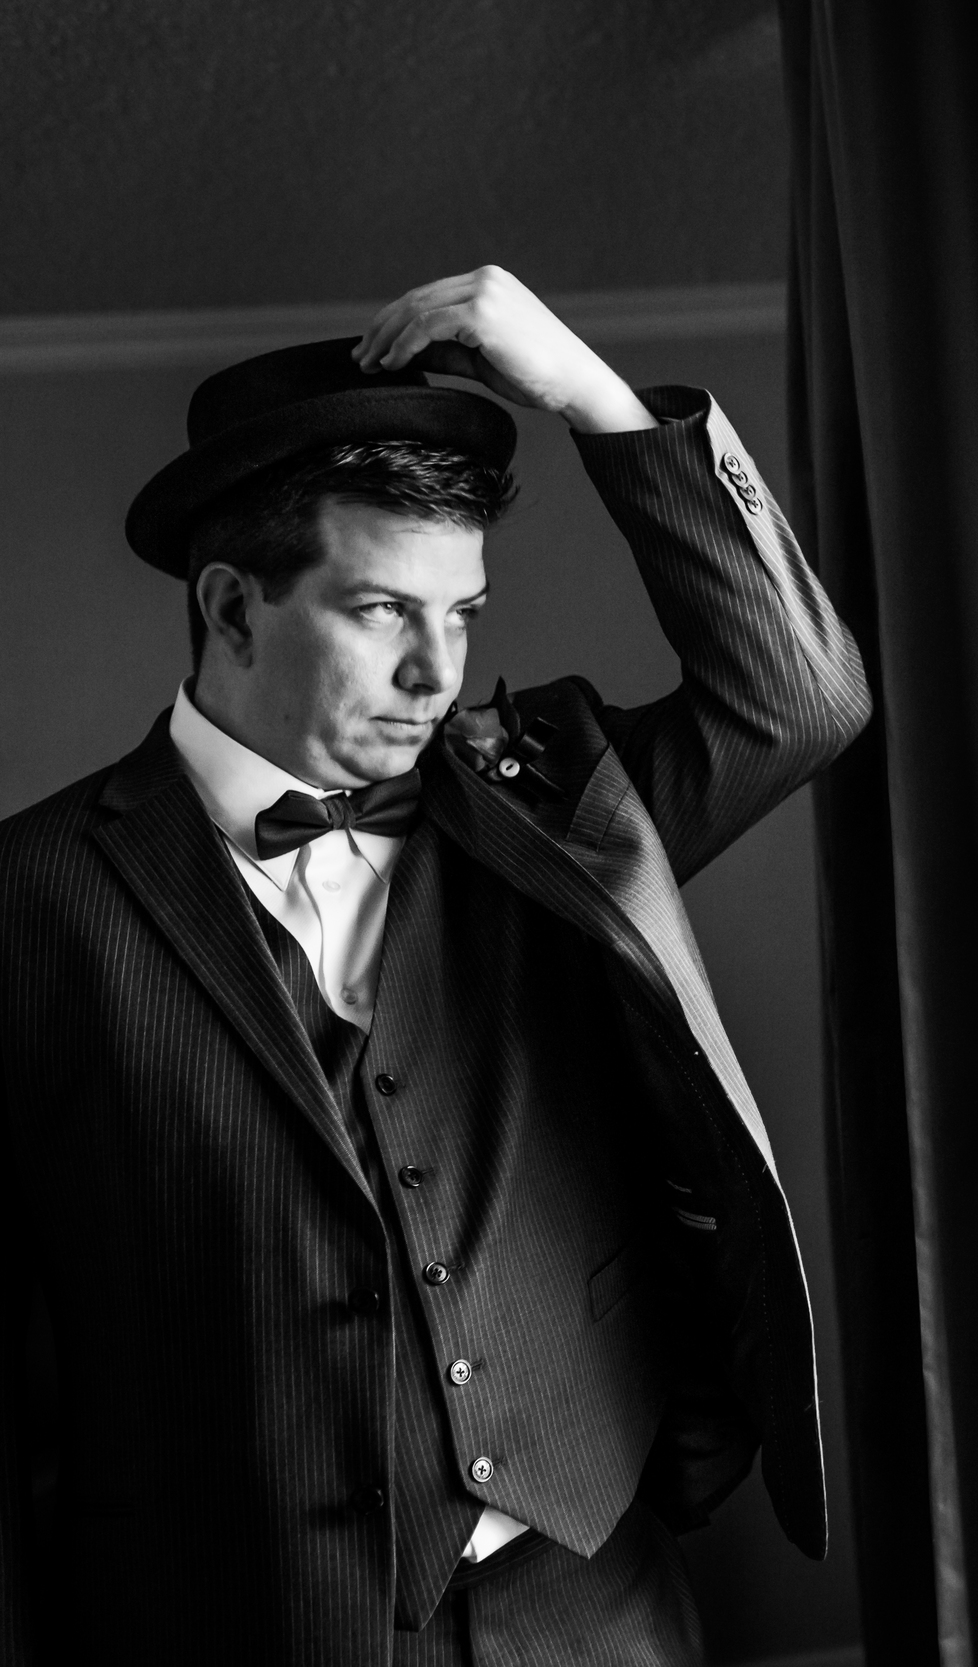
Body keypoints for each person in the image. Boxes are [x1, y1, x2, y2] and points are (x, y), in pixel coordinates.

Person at [0, 267, 870, 1664]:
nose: (437, 674)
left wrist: (595, 394)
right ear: (230, 610)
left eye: (460, 615)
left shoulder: (548, 810)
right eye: (381, 613)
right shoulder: (29, 904)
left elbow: (801, 694)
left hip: (592, 1600)